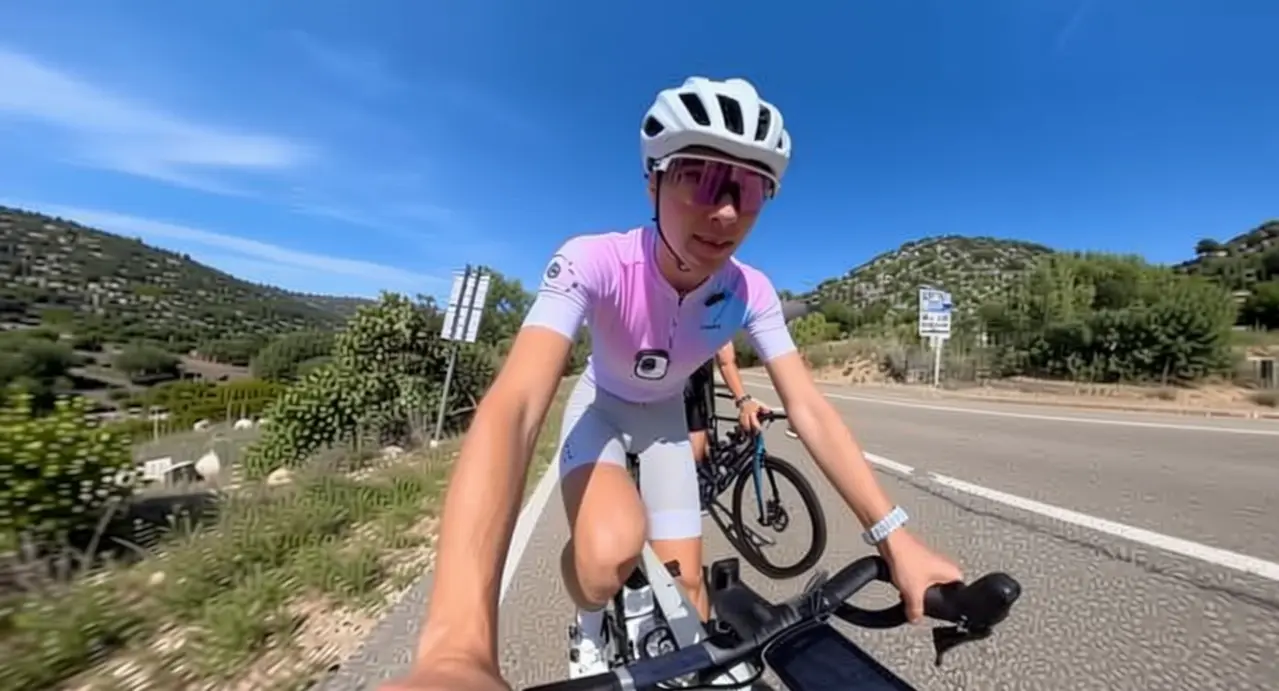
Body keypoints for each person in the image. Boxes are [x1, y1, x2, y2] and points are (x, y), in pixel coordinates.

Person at [380, 76, 961, 691]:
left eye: (751, 188)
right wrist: (455, 647)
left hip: (663, 422)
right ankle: (587, 615)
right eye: (701, 179)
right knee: (607, 558)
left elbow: (809, 406)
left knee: (689, 591)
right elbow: (516, 404)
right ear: (653, 180)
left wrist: (896, 539)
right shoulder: (592, 260)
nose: (727, 210)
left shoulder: (749, 291)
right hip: (600, 407)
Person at [685, 340, 768, 470]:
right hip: (681, 385)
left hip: (699, 384)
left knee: (704, 452)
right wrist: (743, 401)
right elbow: (724, 359)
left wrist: (743, 400)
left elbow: (726, 359)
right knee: (694, 459)